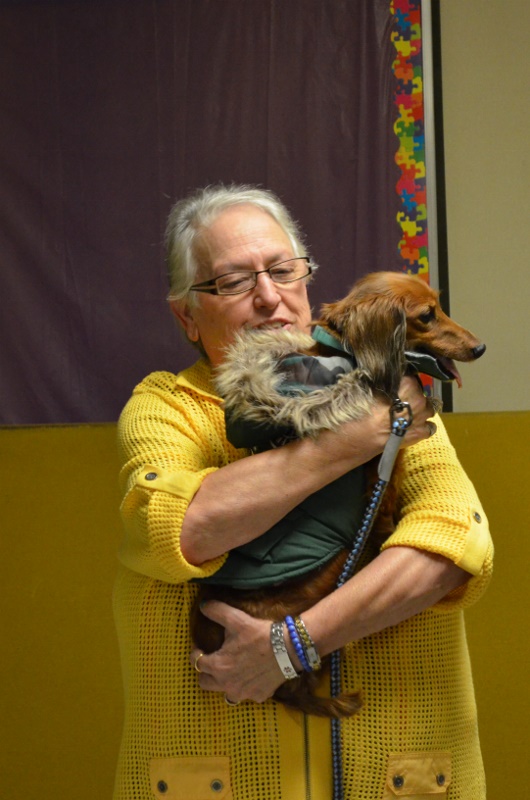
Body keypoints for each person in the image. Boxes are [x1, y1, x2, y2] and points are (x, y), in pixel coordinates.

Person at [113, 184, 493, 800]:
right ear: (187, 316)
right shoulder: (166, 407)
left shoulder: (393, 389)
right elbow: (177, 527)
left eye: (284, 270)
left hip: (401, 775)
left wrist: (291, 646)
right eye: (233, 282)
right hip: (220, 779)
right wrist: (364, 433)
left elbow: (451, 546)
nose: (269, 297)